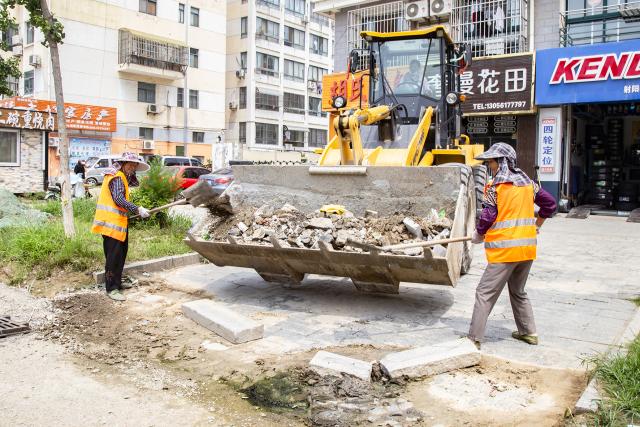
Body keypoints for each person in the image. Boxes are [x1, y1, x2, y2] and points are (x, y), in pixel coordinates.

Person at [467, 143, 556, 350]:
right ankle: (529, 332)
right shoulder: (529, 184)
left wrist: (479, 234)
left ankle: (473, 338)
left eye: (491, 161)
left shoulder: (495, 187)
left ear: (503, 161)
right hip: (526, 250)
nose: (490, 165)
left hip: (505, 250)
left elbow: (488, 216)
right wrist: (537, 225)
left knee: (484, 292)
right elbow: (550, 204)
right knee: (518, 290)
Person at [91, 152, 151, 301]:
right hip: (112, 224)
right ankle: (111, 287)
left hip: (117, 223)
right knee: (113, 256)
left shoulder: (120, 176)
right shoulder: (117, 177)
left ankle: (116, 282)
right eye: (130, 164)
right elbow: (118, 199)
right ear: (123, 163)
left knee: (120, 254)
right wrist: (137, 209)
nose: (132, 167)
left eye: (135, 165)